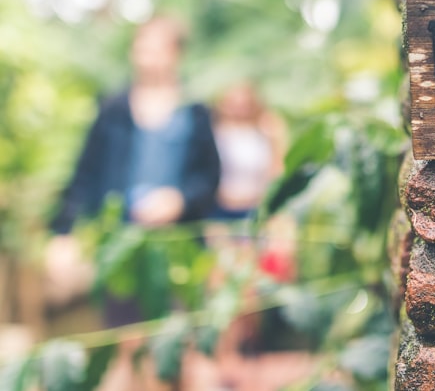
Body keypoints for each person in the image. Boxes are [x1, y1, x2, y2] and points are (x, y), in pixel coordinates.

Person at [47, 16, 221, 319]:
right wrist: (64, 233)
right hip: (120, 246)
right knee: (124, 336)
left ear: (176, 54)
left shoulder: (195, 110)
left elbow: (210, 177)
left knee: (176, 335)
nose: (146, 57)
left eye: (156, 49)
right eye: (141, 48)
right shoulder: (113, 109)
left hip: (178, 247)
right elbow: (85, 174)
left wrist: (180, 200)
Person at [211, 82, 286, 221]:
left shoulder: (265, 129)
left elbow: (277, 171)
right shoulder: (214, 130)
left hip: (255, 208)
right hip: (220, 209)